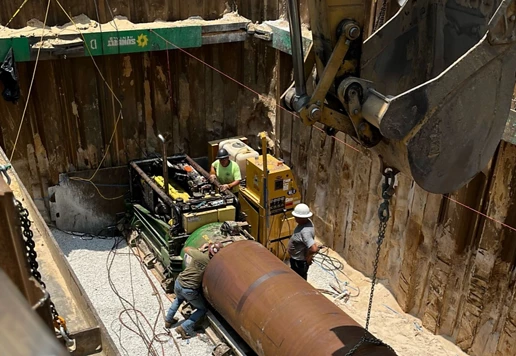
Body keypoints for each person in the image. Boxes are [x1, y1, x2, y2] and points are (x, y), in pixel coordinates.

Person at [165, 242, 224, 339]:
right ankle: (183, 327)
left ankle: (168, 320)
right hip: (189, 289)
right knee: (202, 309)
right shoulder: (212, 264)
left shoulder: (198, 255)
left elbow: (186, 249)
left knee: (178, 300)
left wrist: (200, 248)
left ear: (209, 250)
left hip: (179, 282)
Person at [287, 203, 320, 280]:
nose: (294, 218)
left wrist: (308, 258)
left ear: (301, 218)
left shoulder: (305, 232)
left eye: (296, 217)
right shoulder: (307, 222)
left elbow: (313, 249)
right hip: (297, 260)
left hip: (299, 262)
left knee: (299, 280)